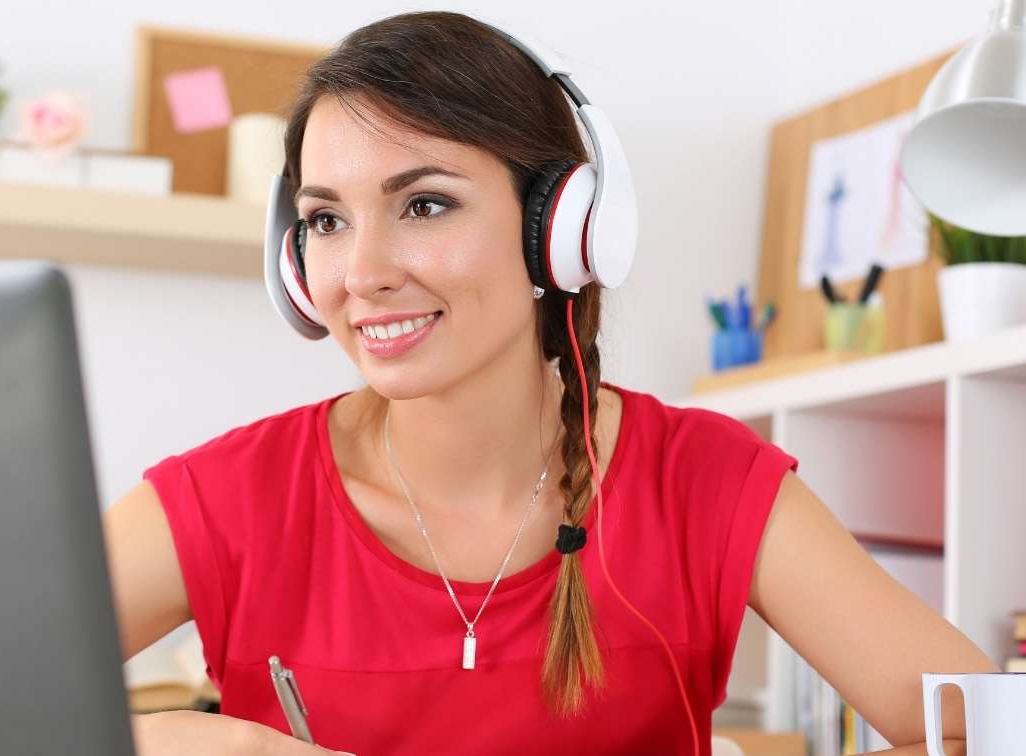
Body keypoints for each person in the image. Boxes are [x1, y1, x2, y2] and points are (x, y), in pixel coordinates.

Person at [103, 11, 995, 755]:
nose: (362, 272)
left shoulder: (703, 481)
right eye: (326, 219)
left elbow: (975, 733)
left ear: (559, 229)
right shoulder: (229, 499)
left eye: (425, 204)